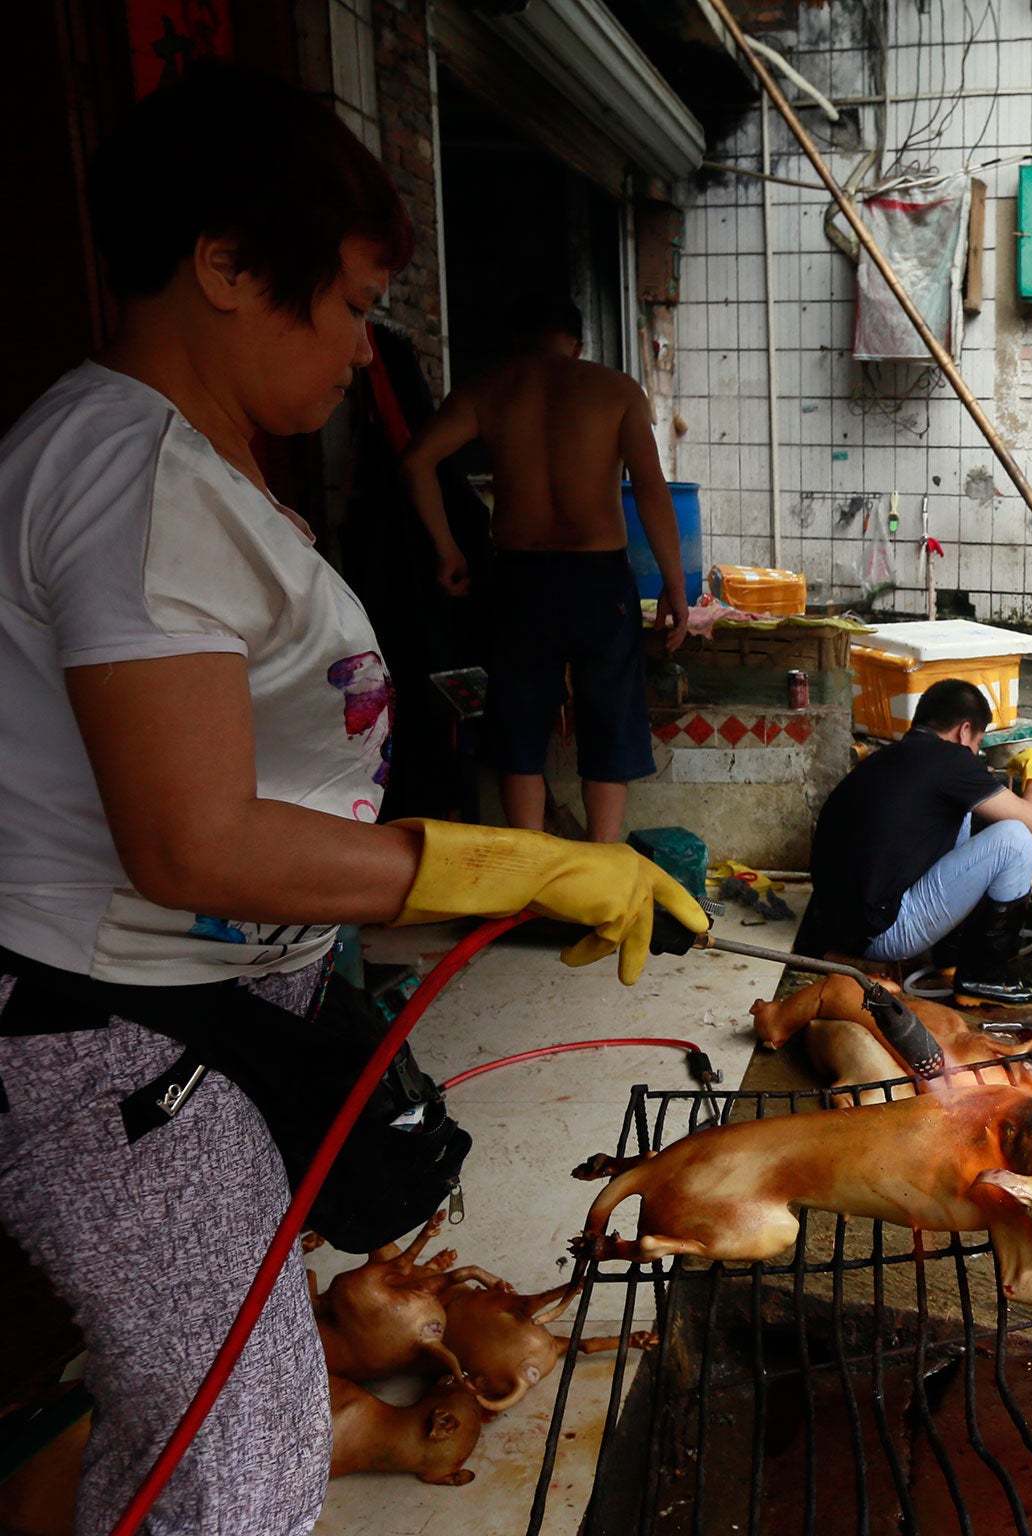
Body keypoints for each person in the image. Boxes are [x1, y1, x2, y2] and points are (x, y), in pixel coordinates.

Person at [0, 66, 702, 1536]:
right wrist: (516, 864)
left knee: (218, 1423)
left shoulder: (187, 466)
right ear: (228, 267)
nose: (362, 351)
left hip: (202, 1011)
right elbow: (191, 838)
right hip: (120, 1047)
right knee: (241, 1464)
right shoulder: (130, 476)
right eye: (352, 303)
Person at [402, 300, 689, 843]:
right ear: (578, 344)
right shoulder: (616, 389)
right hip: (599, 582)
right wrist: (674, 587)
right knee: (608, 723)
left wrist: (448, 550)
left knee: (519, 731)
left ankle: (530, 866)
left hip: (518, 580)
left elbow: (416, 460)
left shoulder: (490, 388)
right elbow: (651, 490)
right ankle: (601, 864)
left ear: (520, 341)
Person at [796, 681, 1032, 1007]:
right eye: (977, 742)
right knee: (1015, 839)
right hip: (883, 933)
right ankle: (985, 977)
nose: (975, 752)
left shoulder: (885, 759)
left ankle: (950, 956)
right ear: (964, 731)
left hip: (838, 927)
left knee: (961, 810)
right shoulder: (953, 761)